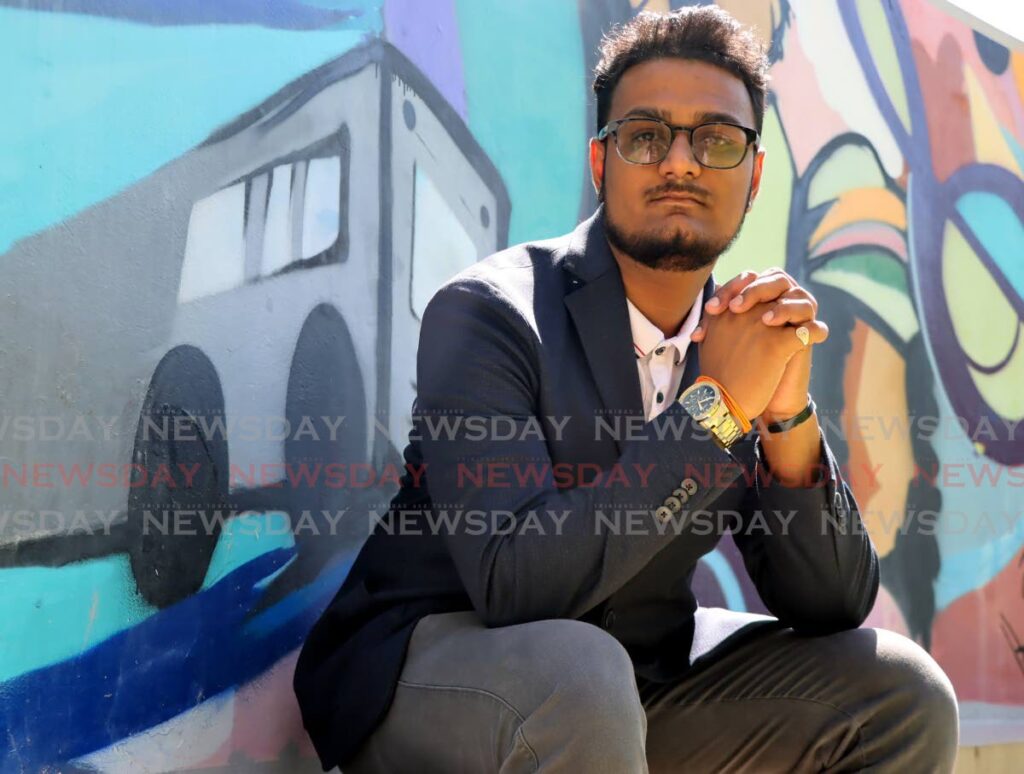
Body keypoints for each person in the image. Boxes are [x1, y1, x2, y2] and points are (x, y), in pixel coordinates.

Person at [294, 6, 958, 772]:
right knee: (581, 675)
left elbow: (832, 604)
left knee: (903, 695)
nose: (680, 163)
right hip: (434, 667)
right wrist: (717, 411)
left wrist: (786, 419)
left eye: (715, 140)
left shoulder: (735, 340)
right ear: (603, 164)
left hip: (630, 682)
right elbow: (515, 582)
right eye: (645, 135)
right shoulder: (488, 315)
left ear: (754, 177)